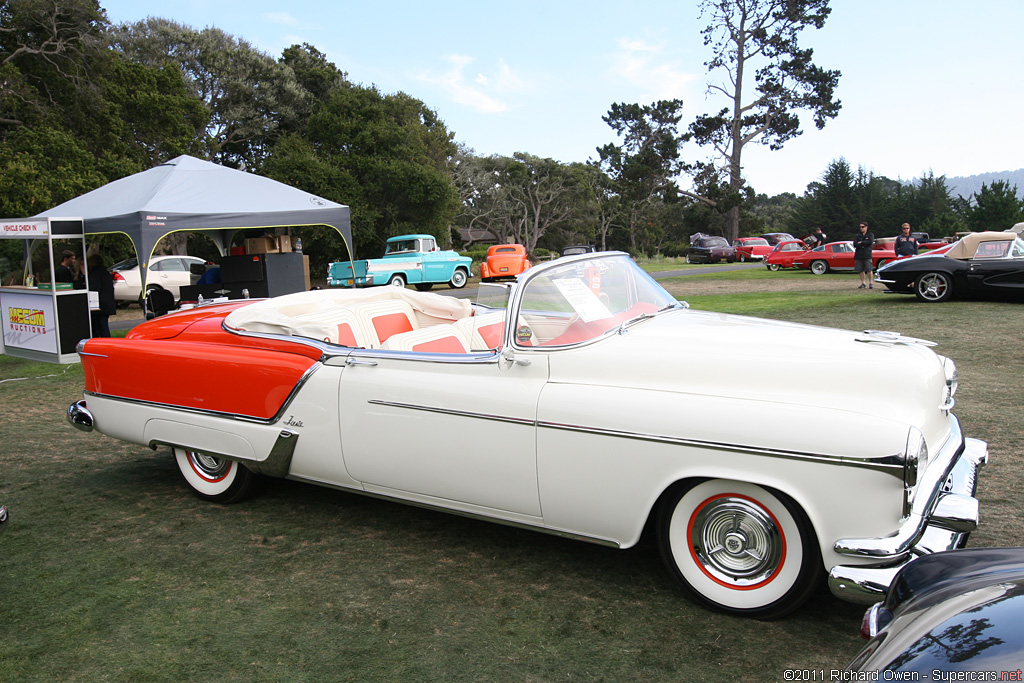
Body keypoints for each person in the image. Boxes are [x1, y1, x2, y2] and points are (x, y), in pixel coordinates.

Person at [75, 253, 116, 337]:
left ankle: (102, 342)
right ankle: (106, 341)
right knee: (103, 325)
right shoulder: (105, 272)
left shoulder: (95, 274)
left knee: (99, 326)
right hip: (107, 303)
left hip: (99, 304)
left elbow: (93, 287)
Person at [852, 222, 875, 289]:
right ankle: (863, 283)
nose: (861, 228)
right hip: (859, 254)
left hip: (867, 254)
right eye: (860, 227)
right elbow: (855, 244)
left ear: (866, 227)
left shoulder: (870, 234)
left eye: (863, 227)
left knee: (869, 269)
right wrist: (863, 243)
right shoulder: (857, 236)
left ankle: (871, 283)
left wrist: (861, 242)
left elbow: (870, 242)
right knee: (860, 269)